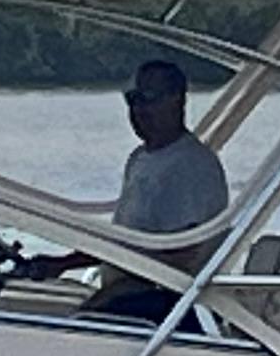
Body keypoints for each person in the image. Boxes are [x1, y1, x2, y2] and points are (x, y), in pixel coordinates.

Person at [87, 57, 226, 316]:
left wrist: (110, 291)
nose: (139, 110)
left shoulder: (191, 165)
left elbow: (181, 258)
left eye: (149, 98)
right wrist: (61, 262)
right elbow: (127, 241)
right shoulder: (140, 158)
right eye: (133, 100)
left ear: (177, 99)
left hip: (168, 304)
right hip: (129, 289)